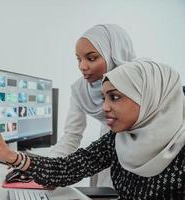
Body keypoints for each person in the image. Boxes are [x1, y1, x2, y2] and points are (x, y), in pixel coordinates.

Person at [0, 60, 185, 199]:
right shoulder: (117, 139)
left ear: (149, 98)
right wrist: (10, 156)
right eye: (104, 98)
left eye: (115, 97)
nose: (105, 107)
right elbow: (66, 170)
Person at [50, 24, 136, 187]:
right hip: (107, 148)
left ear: (114, 55)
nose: (82, 66)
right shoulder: (80, 89)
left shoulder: (140, 85)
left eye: (91, 58)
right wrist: (49, 168)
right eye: (78, 59)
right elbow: (71, 135)